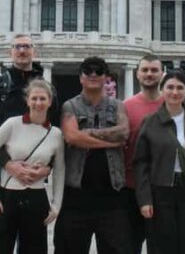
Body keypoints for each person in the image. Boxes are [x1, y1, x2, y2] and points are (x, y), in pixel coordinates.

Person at [0, 34, 59, 254]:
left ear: (34, 51)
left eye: (27, 46)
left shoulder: (47, 87)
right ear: (11, 52)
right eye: (17, 47)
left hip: (33, 170)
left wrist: (48, 167)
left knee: (30, 237)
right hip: (0, 164)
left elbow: (55, 132)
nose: (22, 51)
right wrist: (8, 164)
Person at [133, 69, 185, 254]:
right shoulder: (150, 122)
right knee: (161, 243)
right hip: (160, 190)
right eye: (170, 87)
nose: (174, 92)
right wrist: (144, 199)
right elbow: (141, 163)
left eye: (180, 87)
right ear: (162, 90)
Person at [54, 56, 131, 254]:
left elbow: (124, 133)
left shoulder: (117, 106)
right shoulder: (70, 106)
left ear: (106, 77)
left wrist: (86, 133)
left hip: (112, 195)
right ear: (80, 78)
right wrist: (109, 141)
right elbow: (72, 137)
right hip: (76, 194)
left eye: (99, 71)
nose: (94, 75)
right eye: (88, 71)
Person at [0, 80, 65, 254]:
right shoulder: (12, 124)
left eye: (42, 99)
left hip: (37, 198)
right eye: (34, 98)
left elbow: (60, 170)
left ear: (49, 101)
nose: (38, 103)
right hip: (7, 198)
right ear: (27, 100)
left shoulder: (56, 134)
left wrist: (56, 204)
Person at [122, 54, 164, 254]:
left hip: (163, 188)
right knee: (130, 245)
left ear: (162, 74)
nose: (149, 74)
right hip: (132, 188)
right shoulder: (125, 107)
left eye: (154, 70)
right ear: (137, 74)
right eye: (145, 70)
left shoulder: (172, 104)